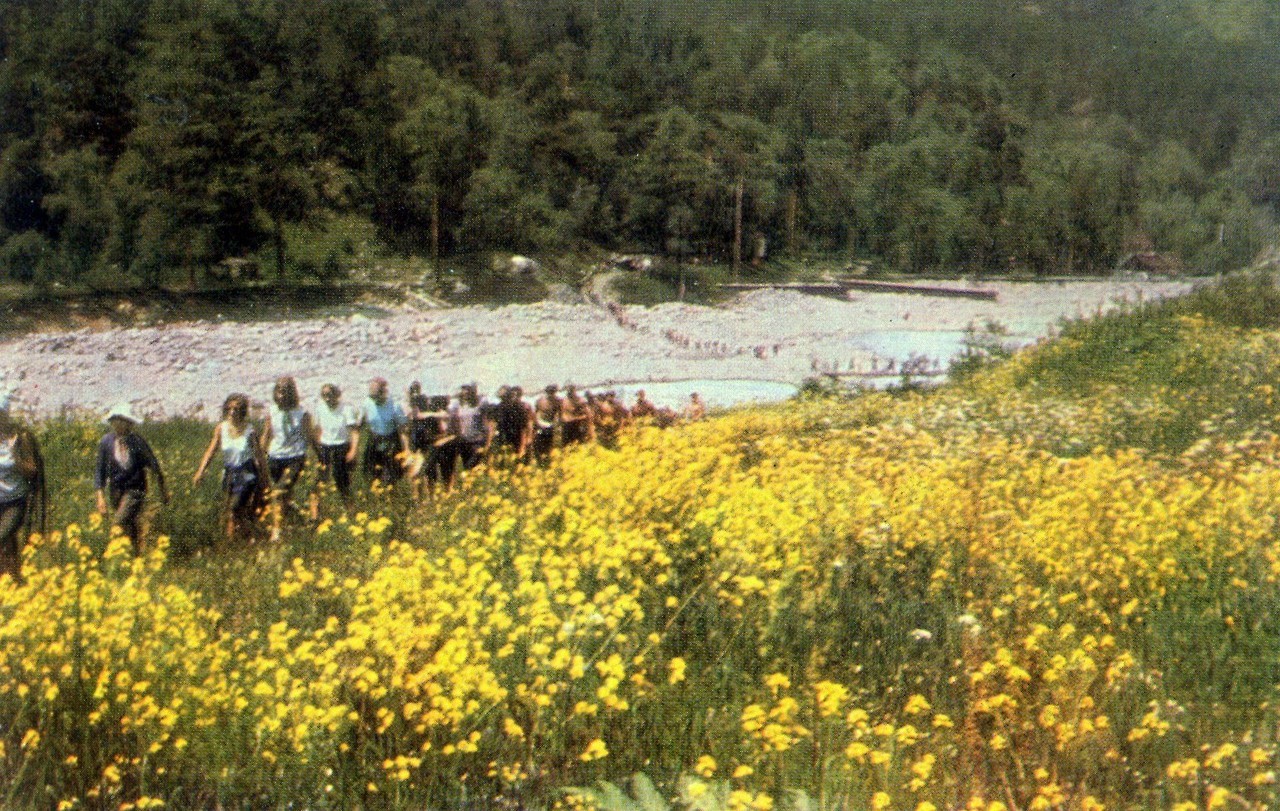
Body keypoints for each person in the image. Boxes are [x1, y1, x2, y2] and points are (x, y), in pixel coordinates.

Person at [193, 393, 269, 545]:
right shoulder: (221, 428)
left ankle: (245, 538)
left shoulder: (249, 431)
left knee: (235, 508)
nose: (232, 412)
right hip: (230, 473)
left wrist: (265, 477)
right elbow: (211, 451)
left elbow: (259, 455)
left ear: (242, 411)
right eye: (230, 408)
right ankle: (239, 540)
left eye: (237, 409)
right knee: (232, 511)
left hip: (247, 473)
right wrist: (200, 471)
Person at [94, 402, 168, 553]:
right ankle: (136, 558)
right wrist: (100, 498)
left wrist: (163, 490)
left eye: (122, 420)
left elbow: (154, 466)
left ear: (129, 423)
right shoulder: (106, 442)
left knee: (118, 524)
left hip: (135, 491)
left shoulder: (137, 442)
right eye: (116, 420)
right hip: (116, 492)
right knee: (131, 528)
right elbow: (99, 472)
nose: (118, 424)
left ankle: (112, 554)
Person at [260, 377, 313, 542]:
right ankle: (296, 520)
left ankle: (276, 531)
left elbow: (309, 436)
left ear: (292, 393)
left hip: (295, 457)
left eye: (285, 392)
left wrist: (322, 457)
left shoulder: (301, 413)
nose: (282, 395)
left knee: (278, 492)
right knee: (285, 495)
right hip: (275, 456)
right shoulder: (272, 411)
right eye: (279, 391)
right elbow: (267, 434)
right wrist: (259, 455)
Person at [0, 390, 43, 582]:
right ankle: (13, 582)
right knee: (8, 544)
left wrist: (16, 458)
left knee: (2, 537)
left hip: (15, 501)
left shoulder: (19, 438)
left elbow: (32, 470)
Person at [312, 383, 359, 517]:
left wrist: (353, 450)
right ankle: (315, 515)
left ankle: (350, 511)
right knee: (319, 480)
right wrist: (318, 447)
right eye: (324, 396)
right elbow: (317, 429)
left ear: (336, 395)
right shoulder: (320, 409)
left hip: (342, 447)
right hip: (326, 447)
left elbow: (354, 432)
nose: (327, 398)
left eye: (330, 395)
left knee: (342, 481)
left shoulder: (346, 409)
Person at [360, 377, 409, 488]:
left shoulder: (395, 406)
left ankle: (393, 501)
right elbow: (361, 423)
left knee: (390, 477)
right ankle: (377, 500)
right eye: (371, 396)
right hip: (374, 441)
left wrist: (406, 449)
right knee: (371, 475)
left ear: (384, 392)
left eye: (376, 396)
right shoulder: (367, 403)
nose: (373, 399)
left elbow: (403, 430)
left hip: (391, 441)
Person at [449, 383, 493, 471]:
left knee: (474, 467)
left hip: (477, 441)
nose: (464, 394)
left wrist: (487, 444)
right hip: (464, 442)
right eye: (463, 391)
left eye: (467, 391)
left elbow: (488, 426)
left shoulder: (480, 406)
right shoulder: (459, 406)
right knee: (467, 468)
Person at [492, 385, 533, 461]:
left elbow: (523, 429)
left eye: (505, 397)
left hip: (518, 439)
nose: (504, 400)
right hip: (503, 439)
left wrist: (522, 446)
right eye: (502, 398)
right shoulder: (498, 408)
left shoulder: (519, 408)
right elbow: (494, 425)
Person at [532, 384, 562, 463]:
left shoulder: (558, 401)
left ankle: (547, 461)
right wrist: (536, 424)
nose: (552, 394)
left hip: (551, 425)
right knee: (538, 445)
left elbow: (560, 414)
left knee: (549, 446)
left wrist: (557, 425)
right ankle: (540, 461)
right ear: (547, 392)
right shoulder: (540, 401)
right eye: (550, 392)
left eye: (553, 392)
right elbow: (535, 413)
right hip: (540, 424)